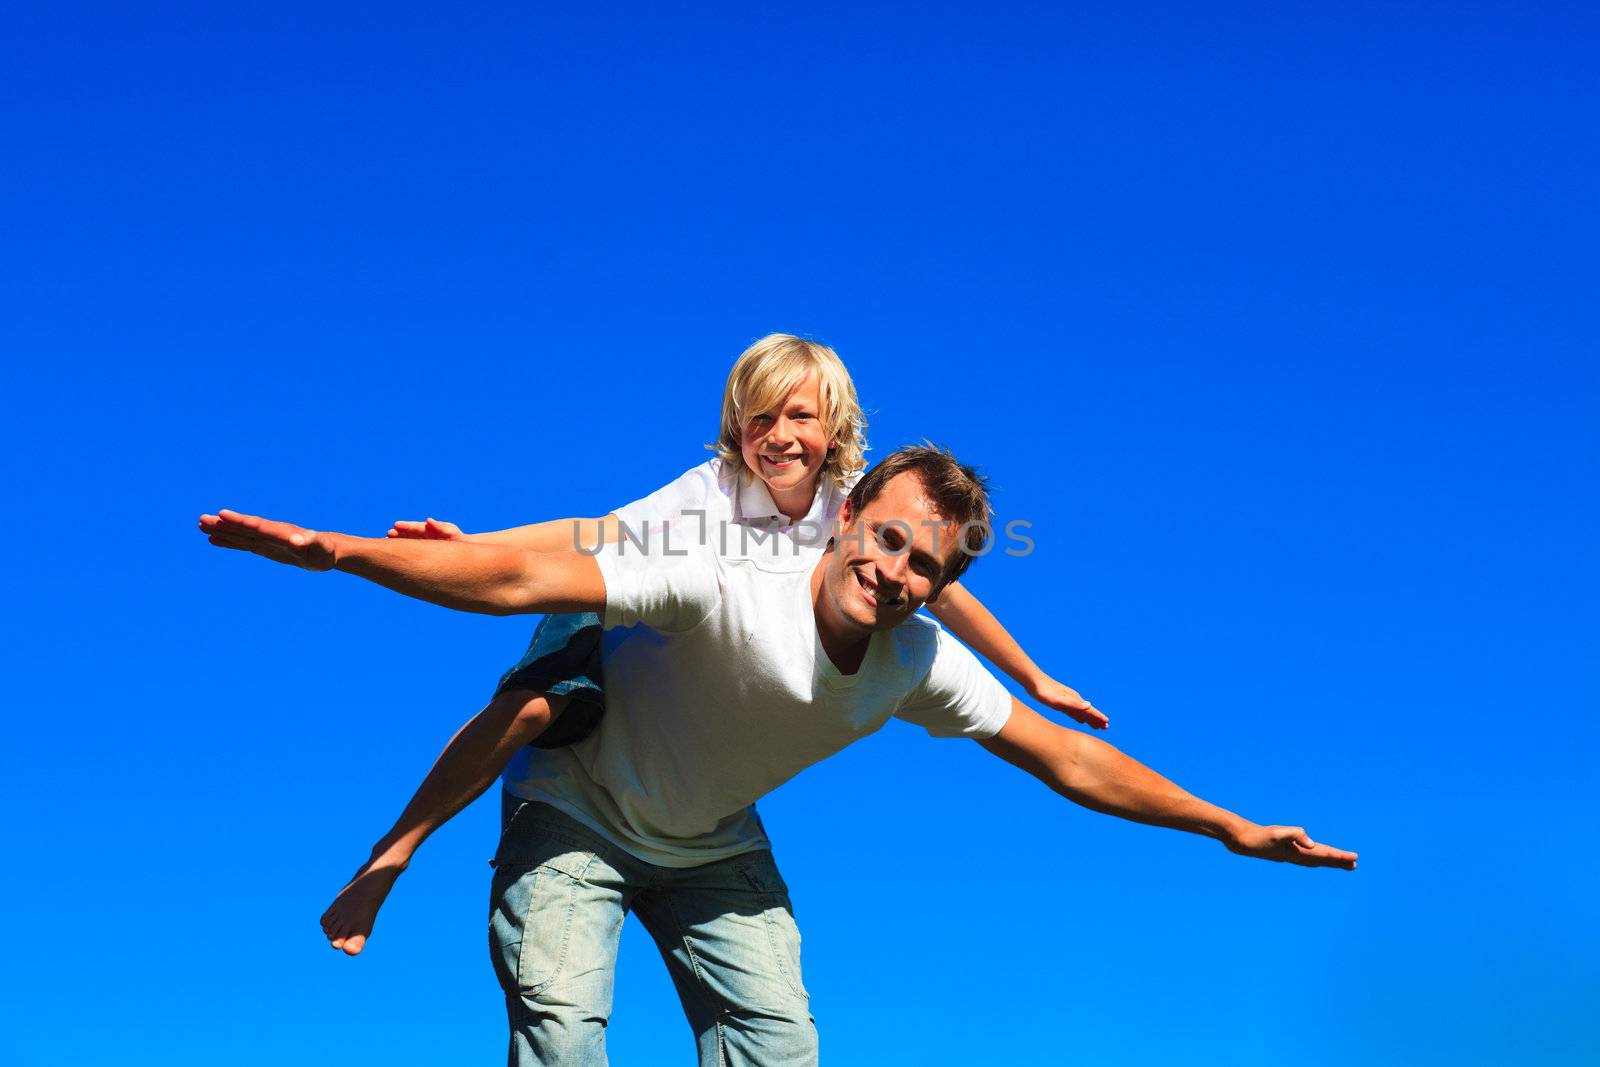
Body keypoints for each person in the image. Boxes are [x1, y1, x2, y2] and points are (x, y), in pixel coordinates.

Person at [200, 445, 1357, 1067]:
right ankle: (394, 850)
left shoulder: (910, 661)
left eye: (927, 571)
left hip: (711, 847)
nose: (897, 574)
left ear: (946, 591)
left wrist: (1227, 824)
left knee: (781, 1047)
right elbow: (518, 574)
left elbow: (1065, 758)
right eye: (888, 538)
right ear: (848, 510)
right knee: (561, 1020)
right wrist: (341, 551)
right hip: (578, 808)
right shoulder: (719, 563)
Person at [317, 334, 1105, 958]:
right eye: (760, 417)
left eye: (800, 417)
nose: (779, 435)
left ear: (835, 429)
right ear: (736, 423)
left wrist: (1033, 675)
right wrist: (475, 543)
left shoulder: (852, 502)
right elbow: (590, 535)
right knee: (527, 708)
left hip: (698, 669)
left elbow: (950, 590)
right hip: (618, 616)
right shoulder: (710, 493)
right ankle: (392, 854)